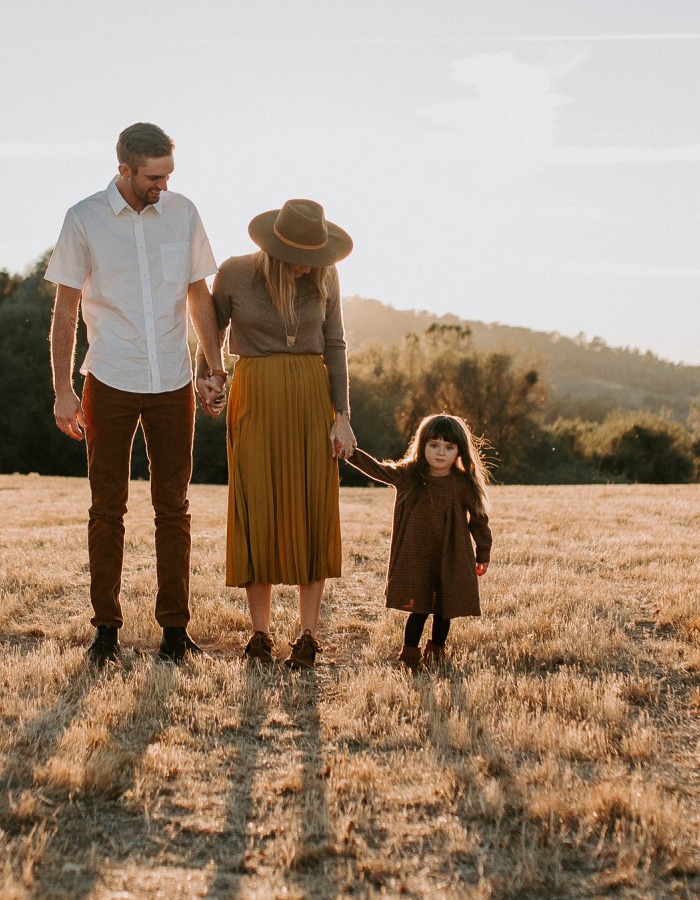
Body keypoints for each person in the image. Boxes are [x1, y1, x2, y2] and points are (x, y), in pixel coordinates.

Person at [46, 123, 225, 666]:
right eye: (153, 176)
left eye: (169, 174)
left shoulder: (183, 212)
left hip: (173, 381)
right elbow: (65, 311)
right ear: (123, 169)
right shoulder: (84, 219)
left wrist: (214, 369)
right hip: (110, 379)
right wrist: (62, 390)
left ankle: (175, 631)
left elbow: (199, 295)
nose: (163, 186)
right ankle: (106, 630)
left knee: (174, 508)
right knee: (107, 509)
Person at [202, 198, 356, 668]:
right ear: (275, 249)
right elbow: (209, 333)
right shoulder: (233, 273)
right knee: (258, 505)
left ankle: (308, 635)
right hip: (255, 394)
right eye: (300, 261)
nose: (307, 270)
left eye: (315, 261)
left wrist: (343, 414)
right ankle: (260, 634)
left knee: (313, 506)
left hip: (311, 399)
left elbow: (336, 344)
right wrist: (206, 379)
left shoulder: (325, 276)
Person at [341, 414, 493, 670]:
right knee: (419, 608)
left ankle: (436, 651)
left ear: (459, 450)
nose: (441, 453)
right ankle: (410, 655)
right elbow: (379, 469)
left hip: (451, 554)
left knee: (445, 609)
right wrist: (351, 454)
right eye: (434, 445)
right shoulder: (410, 474)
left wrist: (483, 553)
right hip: (417, 555)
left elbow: (479, 520)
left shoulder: (463, 483)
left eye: (449, 447)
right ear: (422, 445)